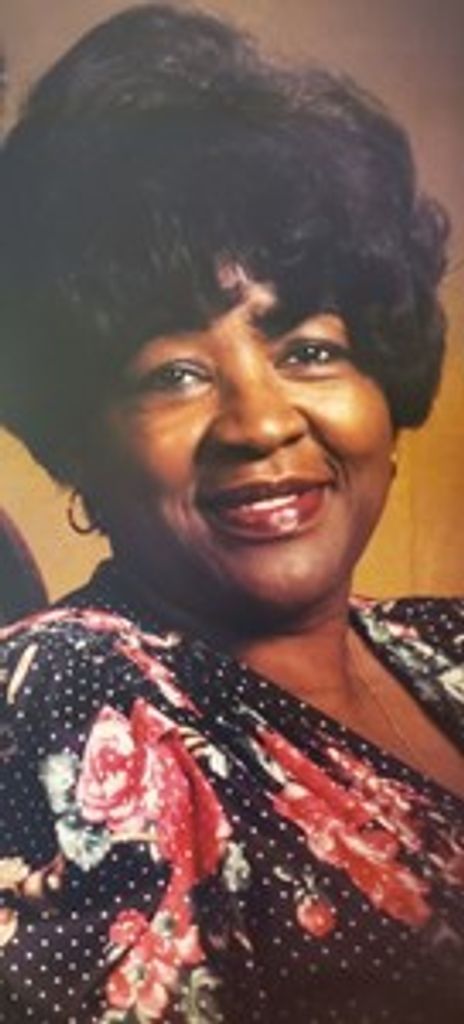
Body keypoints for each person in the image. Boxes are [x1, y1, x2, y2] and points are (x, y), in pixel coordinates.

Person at [0, 4, 462, 1022]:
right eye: (172, 372)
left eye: (309, 350)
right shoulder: (64, 694)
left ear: (384, 393)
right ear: (79, 444)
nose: (260, 422)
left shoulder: (443, 642)